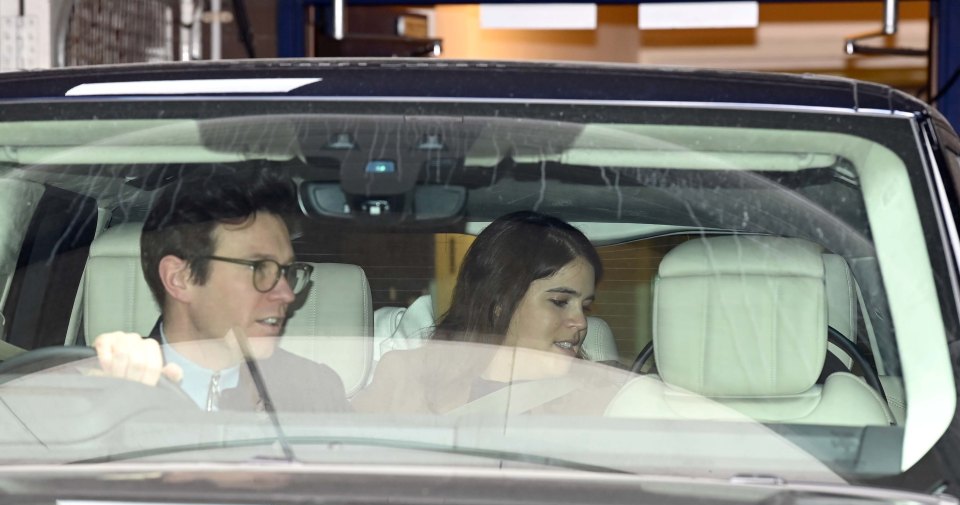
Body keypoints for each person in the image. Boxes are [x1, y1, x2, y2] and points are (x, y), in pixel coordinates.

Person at [93, 165, 348, 413]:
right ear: (180, 278)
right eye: (259, 268)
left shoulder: (314, 393)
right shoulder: (102, 389)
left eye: (287, 271)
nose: (287, 294)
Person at [352, 212, 628, 415]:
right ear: (500, 302)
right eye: (559, 301)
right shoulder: (408, 376)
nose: (580, 322)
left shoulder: (603, 396)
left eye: (586, 306)